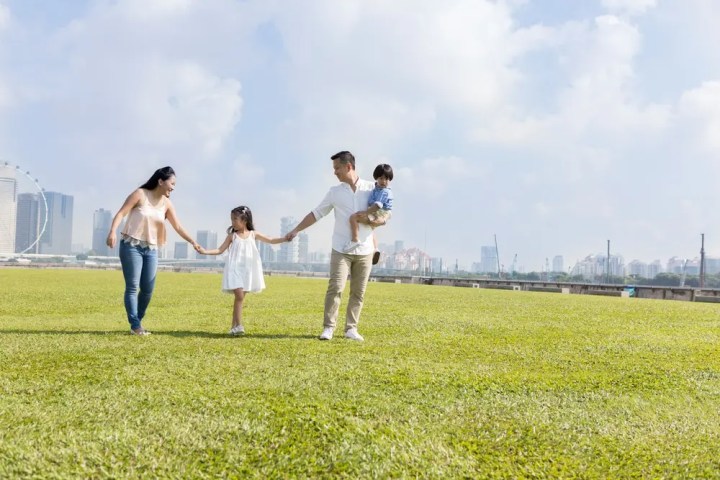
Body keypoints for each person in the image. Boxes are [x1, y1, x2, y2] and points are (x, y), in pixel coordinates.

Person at [286, 151, 376, 341]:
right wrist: (296, 230)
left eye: (337, 168)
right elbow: (317, 213)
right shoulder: (335, 192)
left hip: (365, 249)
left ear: (348, 166)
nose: (335, 172)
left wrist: (375, 225)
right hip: (341, 249)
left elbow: (384, 211)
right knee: (335, 287)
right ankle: (329, 327)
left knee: (358, 292)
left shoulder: (371, 188)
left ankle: (351, 328)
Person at [107, 166, 200, 335]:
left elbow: (178, 226)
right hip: (131, 246)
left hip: (151, 248)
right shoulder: (140, 194)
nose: (173, 187)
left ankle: (137, 321)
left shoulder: (167, 204)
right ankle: (136, 326)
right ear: (160, 181)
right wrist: (112, 231)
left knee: (148, 289)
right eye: (171, 183)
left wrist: (193, 241)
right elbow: (121, 213)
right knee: (133, 287)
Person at [198, 206, 286, 335]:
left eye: (235, 219)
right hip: (234, 269)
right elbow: (220, 250)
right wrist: (204, 251)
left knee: (239, 299)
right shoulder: (232, 236)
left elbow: (271, 240)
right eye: (231, 219)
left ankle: (233, 327)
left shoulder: (253, 234)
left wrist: (285, 238)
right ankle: (239, 326)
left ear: (244, 220)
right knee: (239, 296)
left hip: (248, 270)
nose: (232, 222)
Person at [345, 164, 394, 262]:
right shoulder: (377, 188)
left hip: (379, 212)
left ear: (390, 180)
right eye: (381, 178)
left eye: (386, 179)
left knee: (353, 218)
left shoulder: (384, 192)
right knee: (371, 230)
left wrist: (365, 213)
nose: (384, 181)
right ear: (376, 178)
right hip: (381, 212)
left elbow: (377, 206)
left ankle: (355, 240)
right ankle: (375, 249)